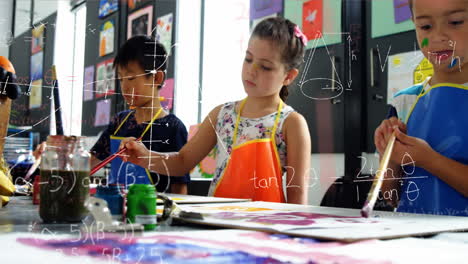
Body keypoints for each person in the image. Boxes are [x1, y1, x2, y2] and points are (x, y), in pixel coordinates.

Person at [120, 17, 311, 204]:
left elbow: (297, 197)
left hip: (268, 228)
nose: (251, 71)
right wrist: (145, 157)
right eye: (248, 59)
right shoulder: (222, 114)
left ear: (289, 76)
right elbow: (183, 161)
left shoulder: (292, 123)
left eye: (265, 67)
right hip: (219, 223)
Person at [35, 36, 190, 194]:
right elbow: (88, 164)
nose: (125, 87)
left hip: (151, 214)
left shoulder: (173, 128)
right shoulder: (120, 121)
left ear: (156, 78)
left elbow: (180, 187)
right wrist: (57, 154)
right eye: (121, 79)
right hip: (116, 210)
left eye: (130, 78)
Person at [374, 0, 468, 215]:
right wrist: (388, 157)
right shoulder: (405, 102)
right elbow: (392, 197)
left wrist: (429, 160)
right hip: (415, 241)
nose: (437, 37)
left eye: (455, 22)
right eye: (426, 26)